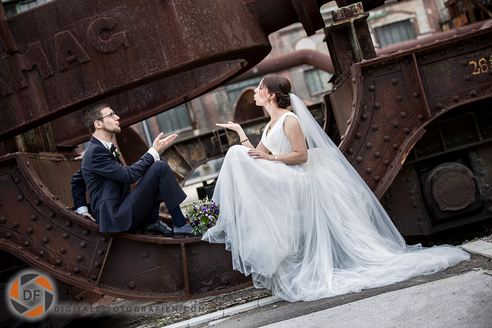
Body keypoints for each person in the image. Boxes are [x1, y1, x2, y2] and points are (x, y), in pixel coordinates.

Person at [202, 74, 470, 302]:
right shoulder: (270, 124)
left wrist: (270, 158)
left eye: (260, 88)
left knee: (236, 155)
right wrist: (240, 133)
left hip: (296, 177)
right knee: (238, 153)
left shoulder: (289, 120)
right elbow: (255, 156)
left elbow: (301, 156)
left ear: (272, 95)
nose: (256, 92)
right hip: (280, 173)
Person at [71, 102, 197, 237]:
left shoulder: (98, 149)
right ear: (98, 124)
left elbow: (78, 180)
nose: (117, 117)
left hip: (122, 211)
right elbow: (129, 176)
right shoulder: (95, 152)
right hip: (117, 218)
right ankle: (180, 223)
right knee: (158, 166)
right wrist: (152, 152)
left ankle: (153, 222)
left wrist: (81, 208)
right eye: (111, 115)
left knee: (158, 162)